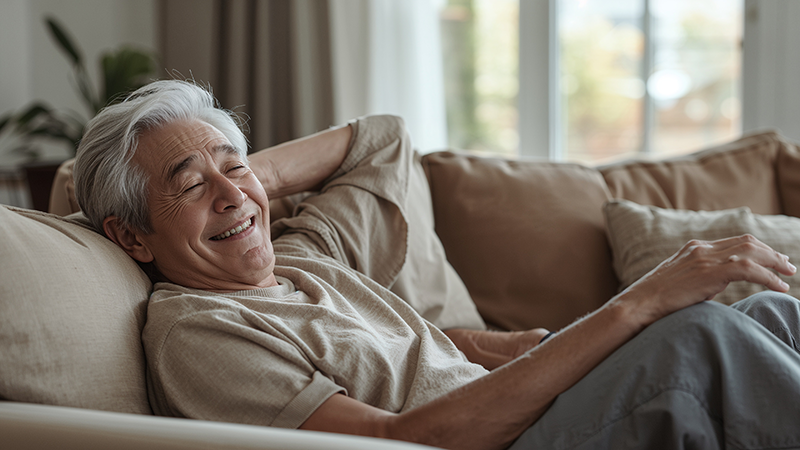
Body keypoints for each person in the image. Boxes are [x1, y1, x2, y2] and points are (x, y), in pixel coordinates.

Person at [73, 80, 800, 450]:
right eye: (192, 188)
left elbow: (381, 141)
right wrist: (634, 306)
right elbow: (404, 440)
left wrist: (231, 184)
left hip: (535, 408)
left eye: (240, 170)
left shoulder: (304, 260)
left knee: (767, 310)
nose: (233, 195)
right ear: (132, 238)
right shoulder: (198, 332)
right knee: (702, 335)